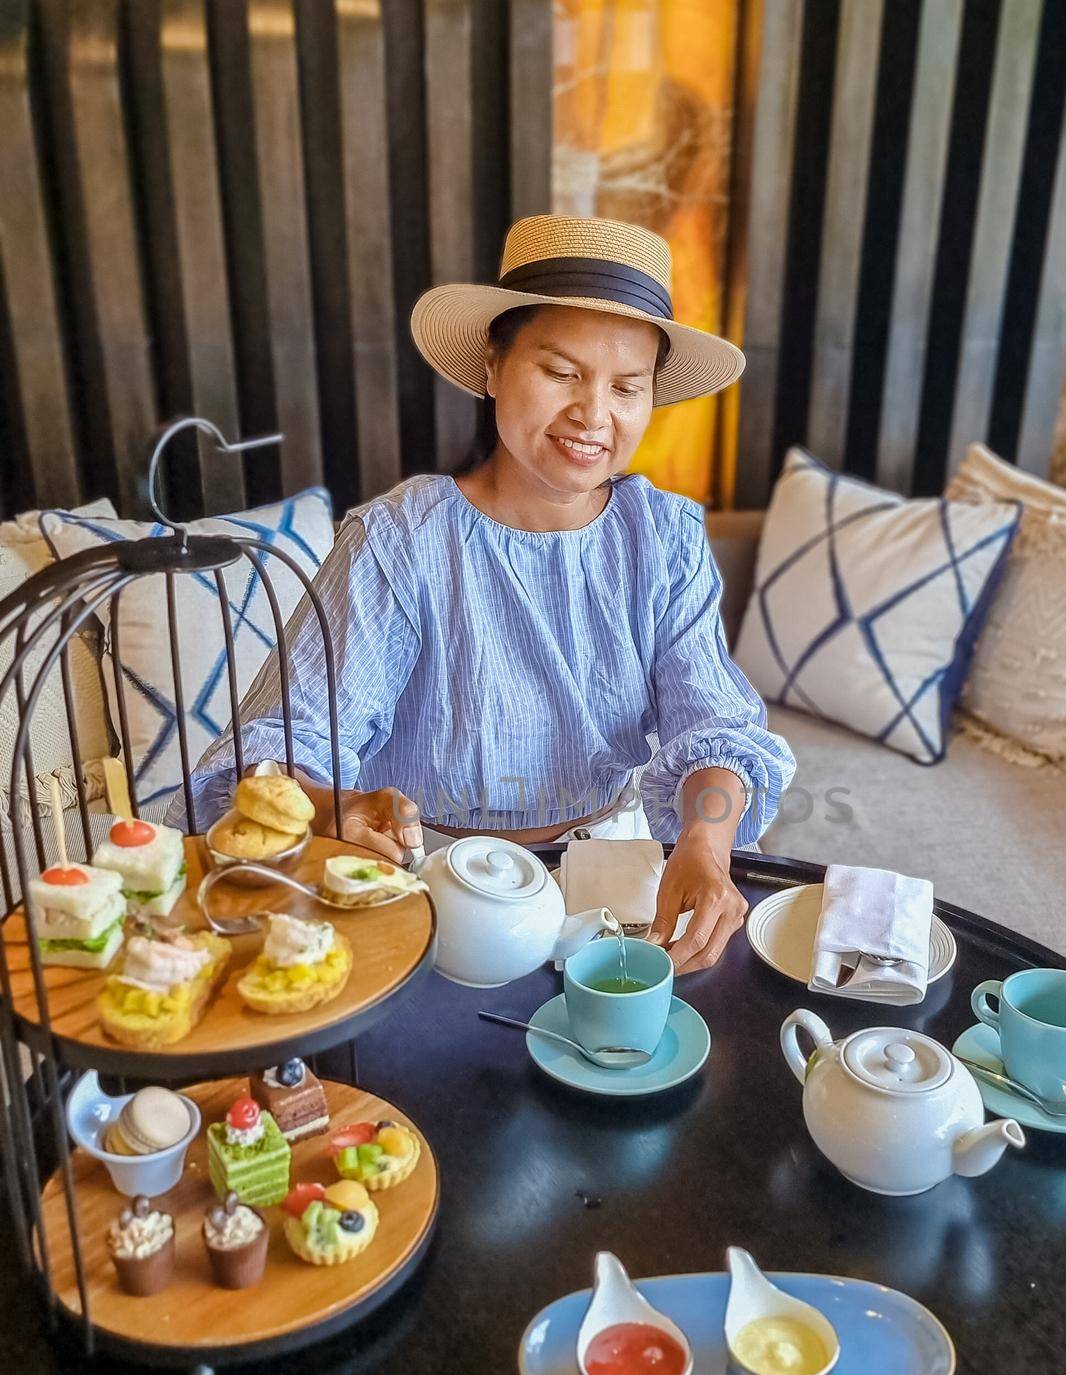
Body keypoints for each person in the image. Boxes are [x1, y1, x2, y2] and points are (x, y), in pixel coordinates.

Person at [182, 215, 795, 973]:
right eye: (562, 372)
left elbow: (717, 728)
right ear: (491, 367)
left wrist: (703, 843)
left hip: (608, 867)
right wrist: (337, 806)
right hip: (429, 877)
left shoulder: (662, 538)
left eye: (626, 387)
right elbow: (277, 748)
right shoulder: (400, 539)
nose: (593, 415)